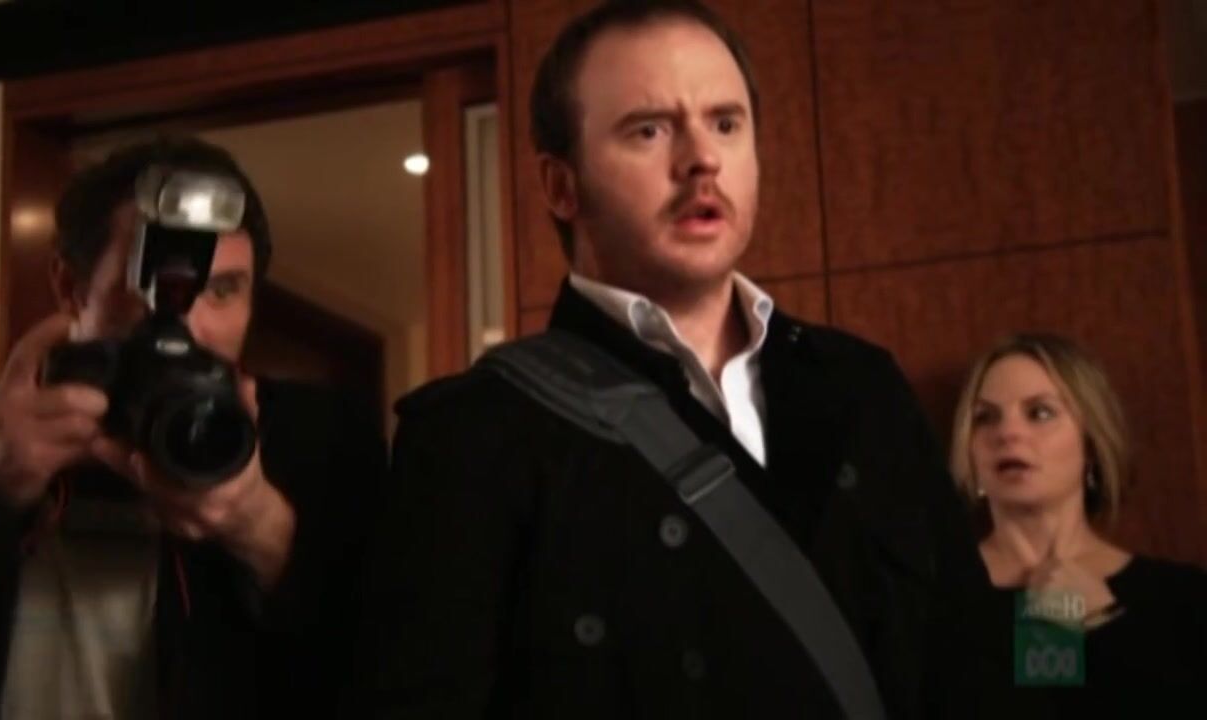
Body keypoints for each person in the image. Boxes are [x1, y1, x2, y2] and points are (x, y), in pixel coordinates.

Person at [366, 1, 991, 717]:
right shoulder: (473, 433)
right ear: (561, 186)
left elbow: (969, 668)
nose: (702, 158)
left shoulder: (864, 384)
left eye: (726, 123)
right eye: (650, 129)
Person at [0, 136, 384, 718]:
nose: (184, 321)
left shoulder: (318, 449)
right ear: (69, 287)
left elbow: (391, 675)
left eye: (221, 289)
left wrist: (260, 529)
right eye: (154, 280)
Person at [950, 332, 1207, 714]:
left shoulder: (1183, 599)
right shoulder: (931, 598)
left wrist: (1105, 624)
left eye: (1040, 413)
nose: (1007, 433)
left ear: (1091, 443)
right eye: (985, 417)